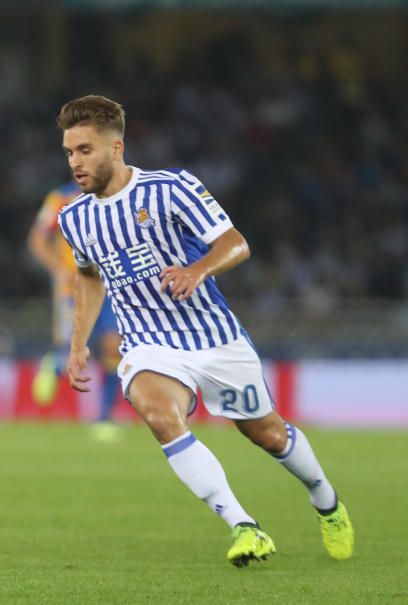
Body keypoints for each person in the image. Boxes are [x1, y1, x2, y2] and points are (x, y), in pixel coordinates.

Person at [56, 95, 354, 566]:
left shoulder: (171, 189)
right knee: (158, 414)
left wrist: (197, 270)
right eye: (70, 151)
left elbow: (235, 244)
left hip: (213, 337)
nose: (75, 162)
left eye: (85, 150)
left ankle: (326, 500)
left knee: (268, 435)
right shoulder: (73, 218)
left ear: (117, 148)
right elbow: (89, 277)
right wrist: (78, 345)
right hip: (147, 344)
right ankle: (245, 526)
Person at [28, 181, 122, 440]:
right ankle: (54, 365)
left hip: (111, 286)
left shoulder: (118, 196)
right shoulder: (60, 197)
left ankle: (104, 417)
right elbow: (37, 238)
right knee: (79, 353)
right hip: (74, 290)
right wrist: (59, 269)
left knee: (113, 346)